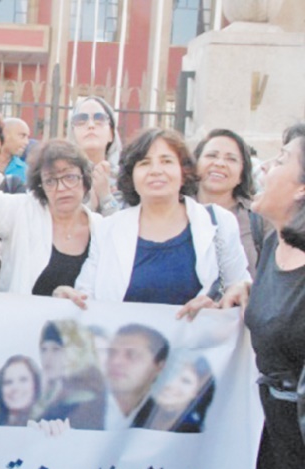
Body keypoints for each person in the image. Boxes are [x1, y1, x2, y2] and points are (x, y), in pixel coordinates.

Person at [54, 128, 251, 317]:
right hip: (124, 349)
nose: (156, 171)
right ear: (131, 176)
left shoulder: (219, 222)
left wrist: (217, 307)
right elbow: (87, 298)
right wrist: (66, 298)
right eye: (145, 163)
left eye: (166, 161)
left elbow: (240, 291)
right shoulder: (108, 229)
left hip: (197, 348)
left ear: (184, 172)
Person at [239, 130, 305, 469]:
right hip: (272, 437)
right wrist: (238, 293)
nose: (264, 166)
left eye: (280, 160)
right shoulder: (269, 245)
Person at [0, 139, 102, 296]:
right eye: (50, 181)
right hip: (21, 318)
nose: (61, 188)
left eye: (70, 177)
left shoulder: (101, 228)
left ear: (85, 179)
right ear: (40, 186)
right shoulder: (23, 211)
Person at [193, 128, 265, 275]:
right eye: (211, 155)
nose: (220, 163)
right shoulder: (174, 209)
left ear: (241, 174)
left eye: (231, 159)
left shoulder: (259, 216)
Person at [101, 324, 169, 430]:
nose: (116, 362)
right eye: (111, 353)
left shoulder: (171, 421)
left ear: (158, 367)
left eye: (132, 355)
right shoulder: (74, 409)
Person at [67, 95, 123, 215]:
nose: (91, 125)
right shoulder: (61, 178)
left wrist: (105, 196)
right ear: (73, 133)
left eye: (99, 119)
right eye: (81, 120)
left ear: (111, 134)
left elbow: (127, 230)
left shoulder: (125, 179)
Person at [133, 357, 216, 433]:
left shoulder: (191, 432)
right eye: (170, 375)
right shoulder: (135, 414)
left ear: (196, 393)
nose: (171, 384)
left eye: (185, 381)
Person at [0, 355, 42, 427]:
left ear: (36, 385)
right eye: (8, 382)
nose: (15, 387)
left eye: (23, 380)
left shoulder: (47, 423)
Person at [0, 117, 31, 185]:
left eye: (27, 137)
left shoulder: (25, 171)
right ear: (4, 134)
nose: (27, 142)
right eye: (22, 136)